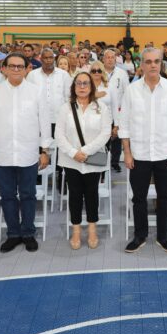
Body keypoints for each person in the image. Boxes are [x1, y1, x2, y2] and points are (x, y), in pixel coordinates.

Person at [0, 54, 51, 253]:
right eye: (11, 66)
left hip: (28, 153)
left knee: (28, 195)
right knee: (7, 196)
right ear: (3, 69)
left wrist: (45, 150)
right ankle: (13, 234)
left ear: (27, 69)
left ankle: (28, 233)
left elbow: (45, 122)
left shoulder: (36, 91)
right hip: (2, 154)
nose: (16, 69)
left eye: (20, 66)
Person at [120, 47, 167, 253]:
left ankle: (162, 236)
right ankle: (140, 235)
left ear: (161, 63)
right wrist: (127, 152)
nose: (153, 65)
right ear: (141, 65)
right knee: (138, 198)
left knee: (164, 197)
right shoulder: (131, 90)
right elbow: (124, 125)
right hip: (138, 154)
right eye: (148, 62)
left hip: (165, 153)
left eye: (156, 61)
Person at [55, 71, 112, 250]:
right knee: (74, 195)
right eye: (78, 83)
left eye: (85, 83)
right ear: (73, 87)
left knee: (92, 194)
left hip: (92, 159)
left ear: (91, 86)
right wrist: (73, 153)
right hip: (71, 160)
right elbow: (59, 134)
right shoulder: (65, 108)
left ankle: (92, 229)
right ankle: (76, 230)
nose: (82, 86)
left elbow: (105, 133)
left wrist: (85, 152)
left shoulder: (101, 107)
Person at [102, 49, 130, 173]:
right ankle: (102, 162)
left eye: (112, 57)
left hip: (118, 110)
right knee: (103, 138)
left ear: (115, 59)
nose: (110, 59)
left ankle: (115, 162)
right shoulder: (98, 72)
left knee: (117, 138)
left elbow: (127, 92)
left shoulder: (122, 73)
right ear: (103, 59)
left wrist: (124, 110)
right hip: (102, 111)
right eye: (107, 57)